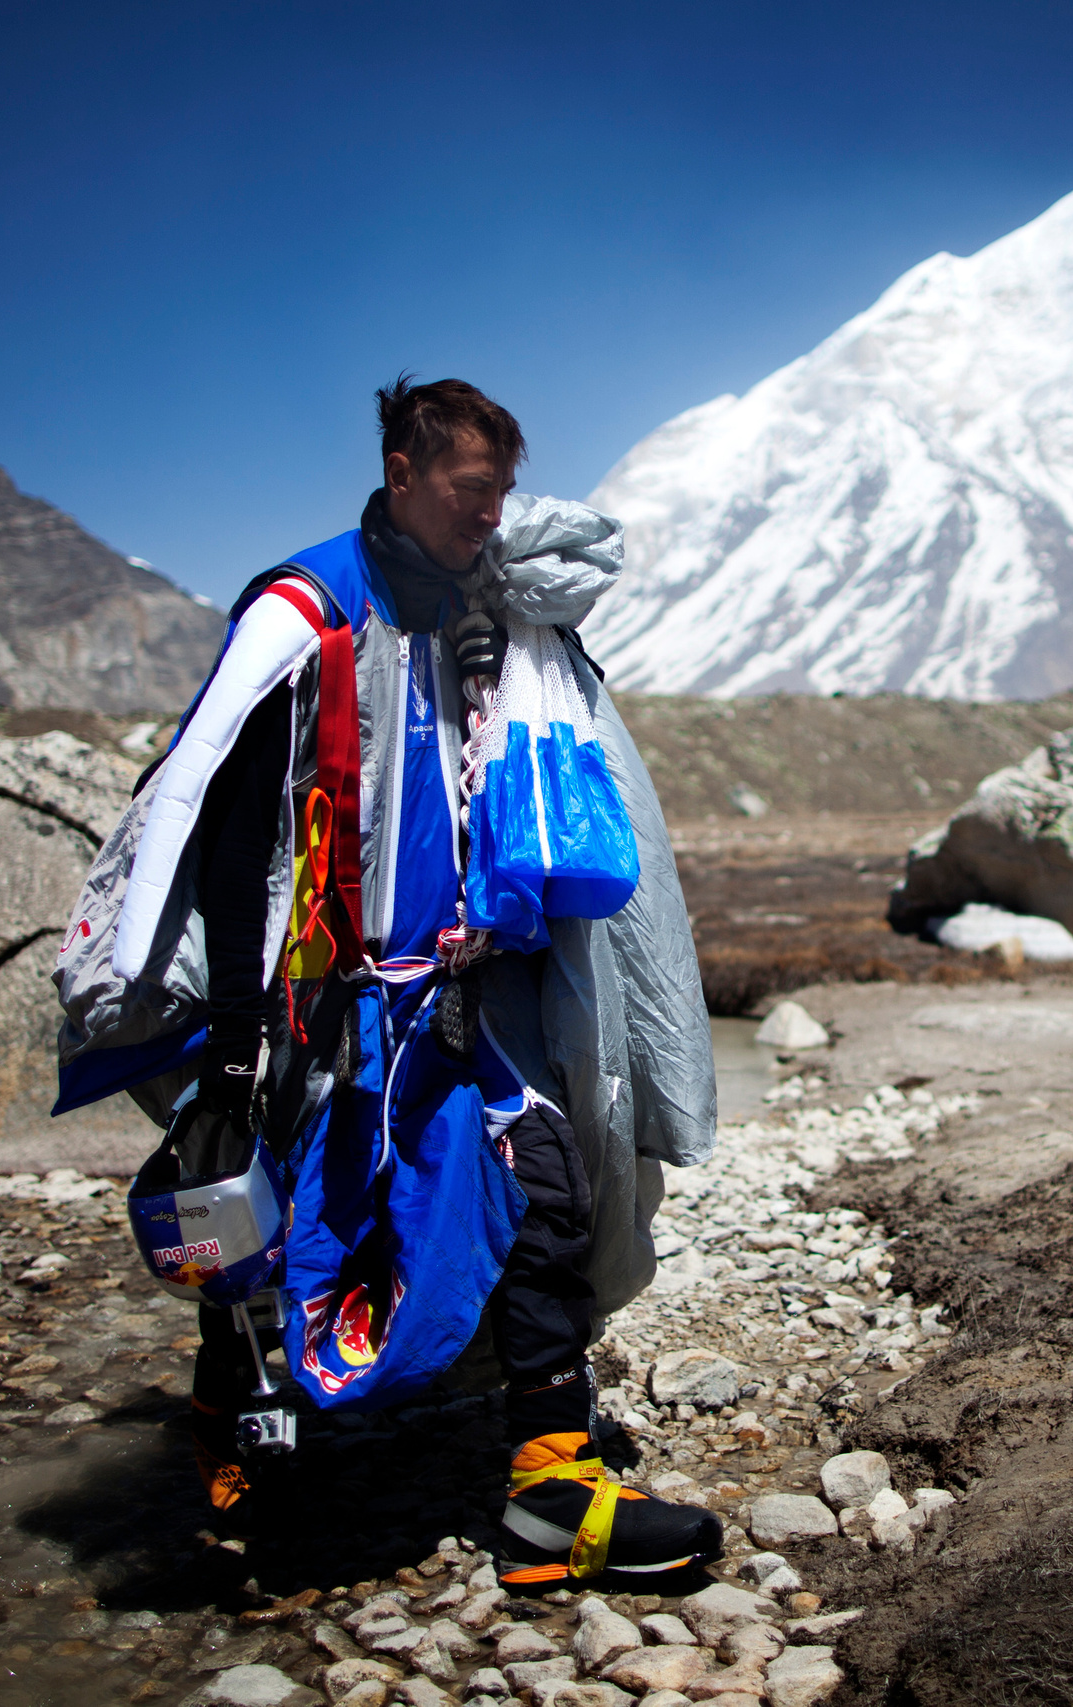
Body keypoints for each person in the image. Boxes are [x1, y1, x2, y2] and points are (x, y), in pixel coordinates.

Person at [169, 376, 719, 1589]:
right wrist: (229, 1039)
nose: (492, 517)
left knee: (547, 1201)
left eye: (503, 495)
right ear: (403, 470)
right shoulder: (305, 615)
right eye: (474, 493)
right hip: (312, 997)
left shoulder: (499, 616)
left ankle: (550, 1492)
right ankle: (229, 1459)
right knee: (261, 1227)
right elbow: (221, 828)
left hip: (469, 993)